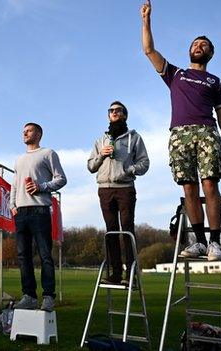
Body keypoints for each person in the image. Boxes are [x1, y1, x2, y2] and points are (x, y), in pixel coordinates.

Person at [141, 0, 221, 261]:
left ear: (210, 54)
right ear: (189, 50)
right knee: (188, 188)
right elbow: (149, 49)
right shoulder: (176, 74)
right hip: (179, 134)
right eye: (195, 44)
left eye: (204, 45)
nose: (199, 46)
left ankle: (215, 243)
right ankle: (198, 241)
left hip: (207, 132)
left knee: (210, 183)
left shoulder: (215, 81)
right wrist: (146, 20)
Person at [87, 101, 150, 285]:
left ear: (124, 115)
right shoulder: (101, 140)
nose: (114, 112)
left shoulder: (134, 138)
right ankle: (115, 274)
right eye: (111, 110)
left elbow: (144, 163)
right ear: (108, 115)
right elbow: (90, 166)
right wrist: (101, 155)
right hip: (104, 189)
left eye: (118, 110)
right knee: (111, 232)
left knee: (127, 229)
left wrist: (129, 169)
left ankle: (131, 275)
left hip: (125, 189)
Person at [10, 122, 67, 312]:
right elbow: (15, 185)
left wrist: (41, 186)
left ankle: (48, 296)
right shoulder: (18, 160)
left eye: (29, 130)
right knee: (23, 256)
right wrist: (12, 205)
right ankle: (29, 296)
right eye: (23, 131)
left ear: (39, 134)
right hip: (21, 213)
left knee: (45, 255)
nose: (25, 133)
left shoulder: (48, 153)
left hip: (40, 210)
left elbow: (61, 178)